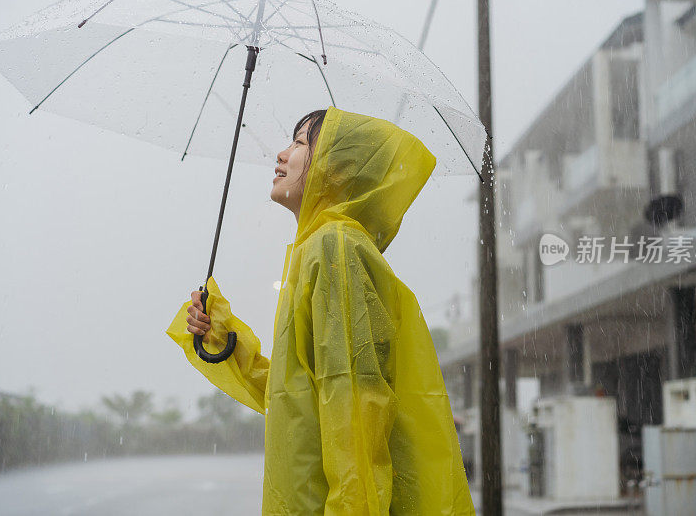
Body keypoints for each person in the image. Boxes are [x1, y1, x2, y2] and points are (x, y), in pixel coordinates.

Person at [167, 106, 475, 515]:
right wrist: (221, 339)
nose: (280, 154)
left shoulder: (335, 248)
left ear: (335, 168)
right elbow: (296, 400)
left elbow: (356, 418)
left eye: (298, 143)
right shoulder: (319, 249)